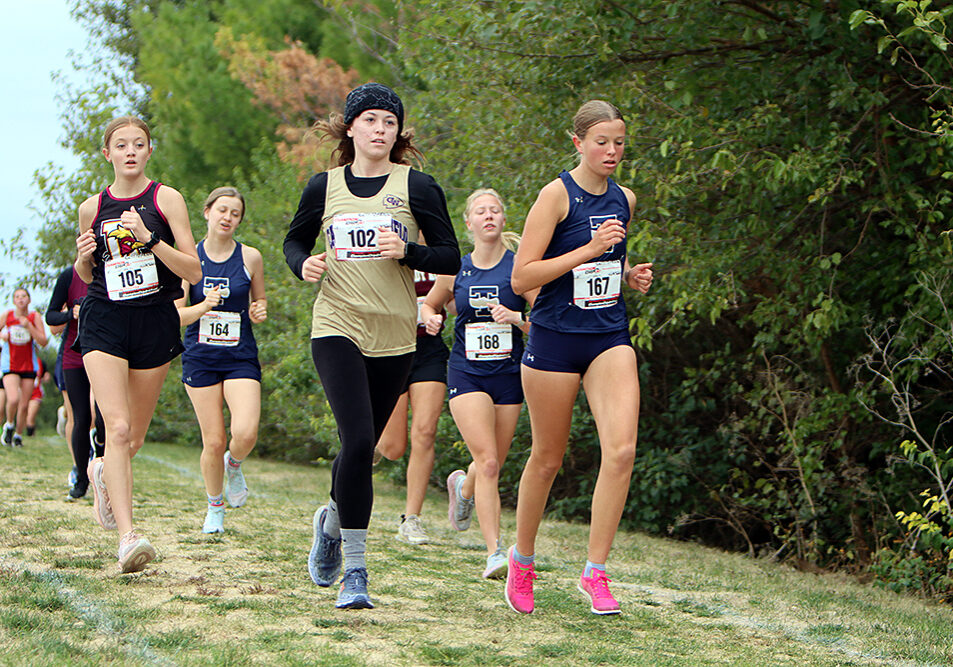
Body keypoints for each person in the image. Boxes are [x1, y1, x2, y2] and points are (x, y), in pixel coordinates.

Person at [284, 82, 460, 609]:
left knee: (364, 449)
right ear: (351, 128)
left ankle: (332, 520)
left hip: (395, 335)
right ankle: (356, 572)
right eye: (370, 121)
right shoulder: (324, 186)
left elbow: (452, 257)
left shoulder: (418, 187)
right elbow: (295, 241)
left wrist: (408, 250)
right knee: (358, 440)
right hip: (336, 324)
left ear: (396, 133)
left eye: (389, 122)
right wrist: (303, 264)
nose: (380, 130)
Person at [504, 100, 654, 616]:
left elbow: (614, 255)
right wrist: (587, 251)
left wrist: (628, 273)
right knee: (547, 459)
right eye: (601, 142)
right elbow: (522, 277)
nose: (612, 151)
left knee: (622, 451)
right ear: (578, 143)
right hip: (554, 339)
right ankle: (521, 562)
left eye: (619, 142)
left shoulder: (625, 199)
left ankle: (596, 573)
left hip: (608, 334)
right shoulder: (555, 197)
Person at [75, 115, 201, 573]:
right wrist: (82, 258)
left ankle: (101, 471)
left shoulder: (166, 199)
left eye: (139, 144)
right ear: (107, 154)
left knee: (136, 438)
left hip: (155, 321)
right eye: (121, 145)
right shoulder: (93, 207)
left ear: (150, 151)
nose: (130, 151)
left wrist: (151, 241)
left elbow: (194, 272)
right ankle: (128, 537)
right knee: (119, 428)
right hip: (104, 318)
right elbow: (88, 276)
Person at [422, 188, 537, 579]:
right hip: (466, 372)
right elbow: (429, 303)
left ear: (504, 220)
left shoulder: (520, 268)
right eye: (480, 212)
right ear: (468, 223)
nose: (489, 216)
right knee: (487, 461)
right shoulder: (457, 267)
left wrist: (516, 318)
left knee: (492, 463)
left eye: (495, 210)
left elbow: (545, 321)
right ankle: (494, 553)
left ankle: (463, 490)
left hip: (509, 373)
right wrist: (430, 318)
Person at [175, 186, 266, 535]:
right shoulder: (189, 260)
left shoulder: (250, 258)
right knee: (212, 440)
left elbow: (259, 303)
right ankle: (215, 506)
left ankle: (235, 463)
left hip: (240, 356)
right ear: (207, 212)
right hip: (200, 358)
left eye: (236, 214)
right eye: (223, 210)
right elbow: (177, 316)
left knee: (245, 432)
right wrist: (203, 307)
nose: (228, 218)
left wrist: (259, 310)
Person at [375, 259, 449, 546]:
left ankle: (412, 518)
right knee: (393, 449)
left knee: (425, 432)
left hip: (429, 351)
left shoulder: (439, 253)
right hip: (390, 348)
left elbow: (453, 299)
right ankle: (370, 440)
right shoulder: (386, 251)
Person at [47, 266, 106, 499]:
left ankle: (101, 470)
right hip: (74, 356)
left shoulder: (109, 272)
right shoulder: (68, 277)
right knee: (81, 417)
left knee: (103, 419)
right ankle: (81, 479)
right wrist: (70, 313)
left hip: (106, 354)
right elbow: (50, 316)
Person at [1, 287, 48, 447]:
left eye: (24, 296)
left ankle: (18, 436)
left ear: (29, 299)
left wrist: (29, 327)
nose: (21, 299)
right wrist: (2, 335)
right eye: (17, 297)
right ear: (14, 300)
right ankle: (9, 425)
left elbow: (43, 341)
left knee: (24, 405)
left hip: (29, 365)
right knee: (13, 398)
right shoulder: (7, 315)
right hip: (10, 364)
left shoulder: (34, 317)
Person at [25, 360, 51, 436]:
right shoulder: (21, 360)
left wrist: (45, 377)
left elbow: (46, 375)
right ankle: (25, 434)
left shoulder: (41, 362)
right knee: (24, 416)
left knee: (30, 417)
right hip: (23, 393)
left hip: (36, 393)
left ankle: (30, 436)